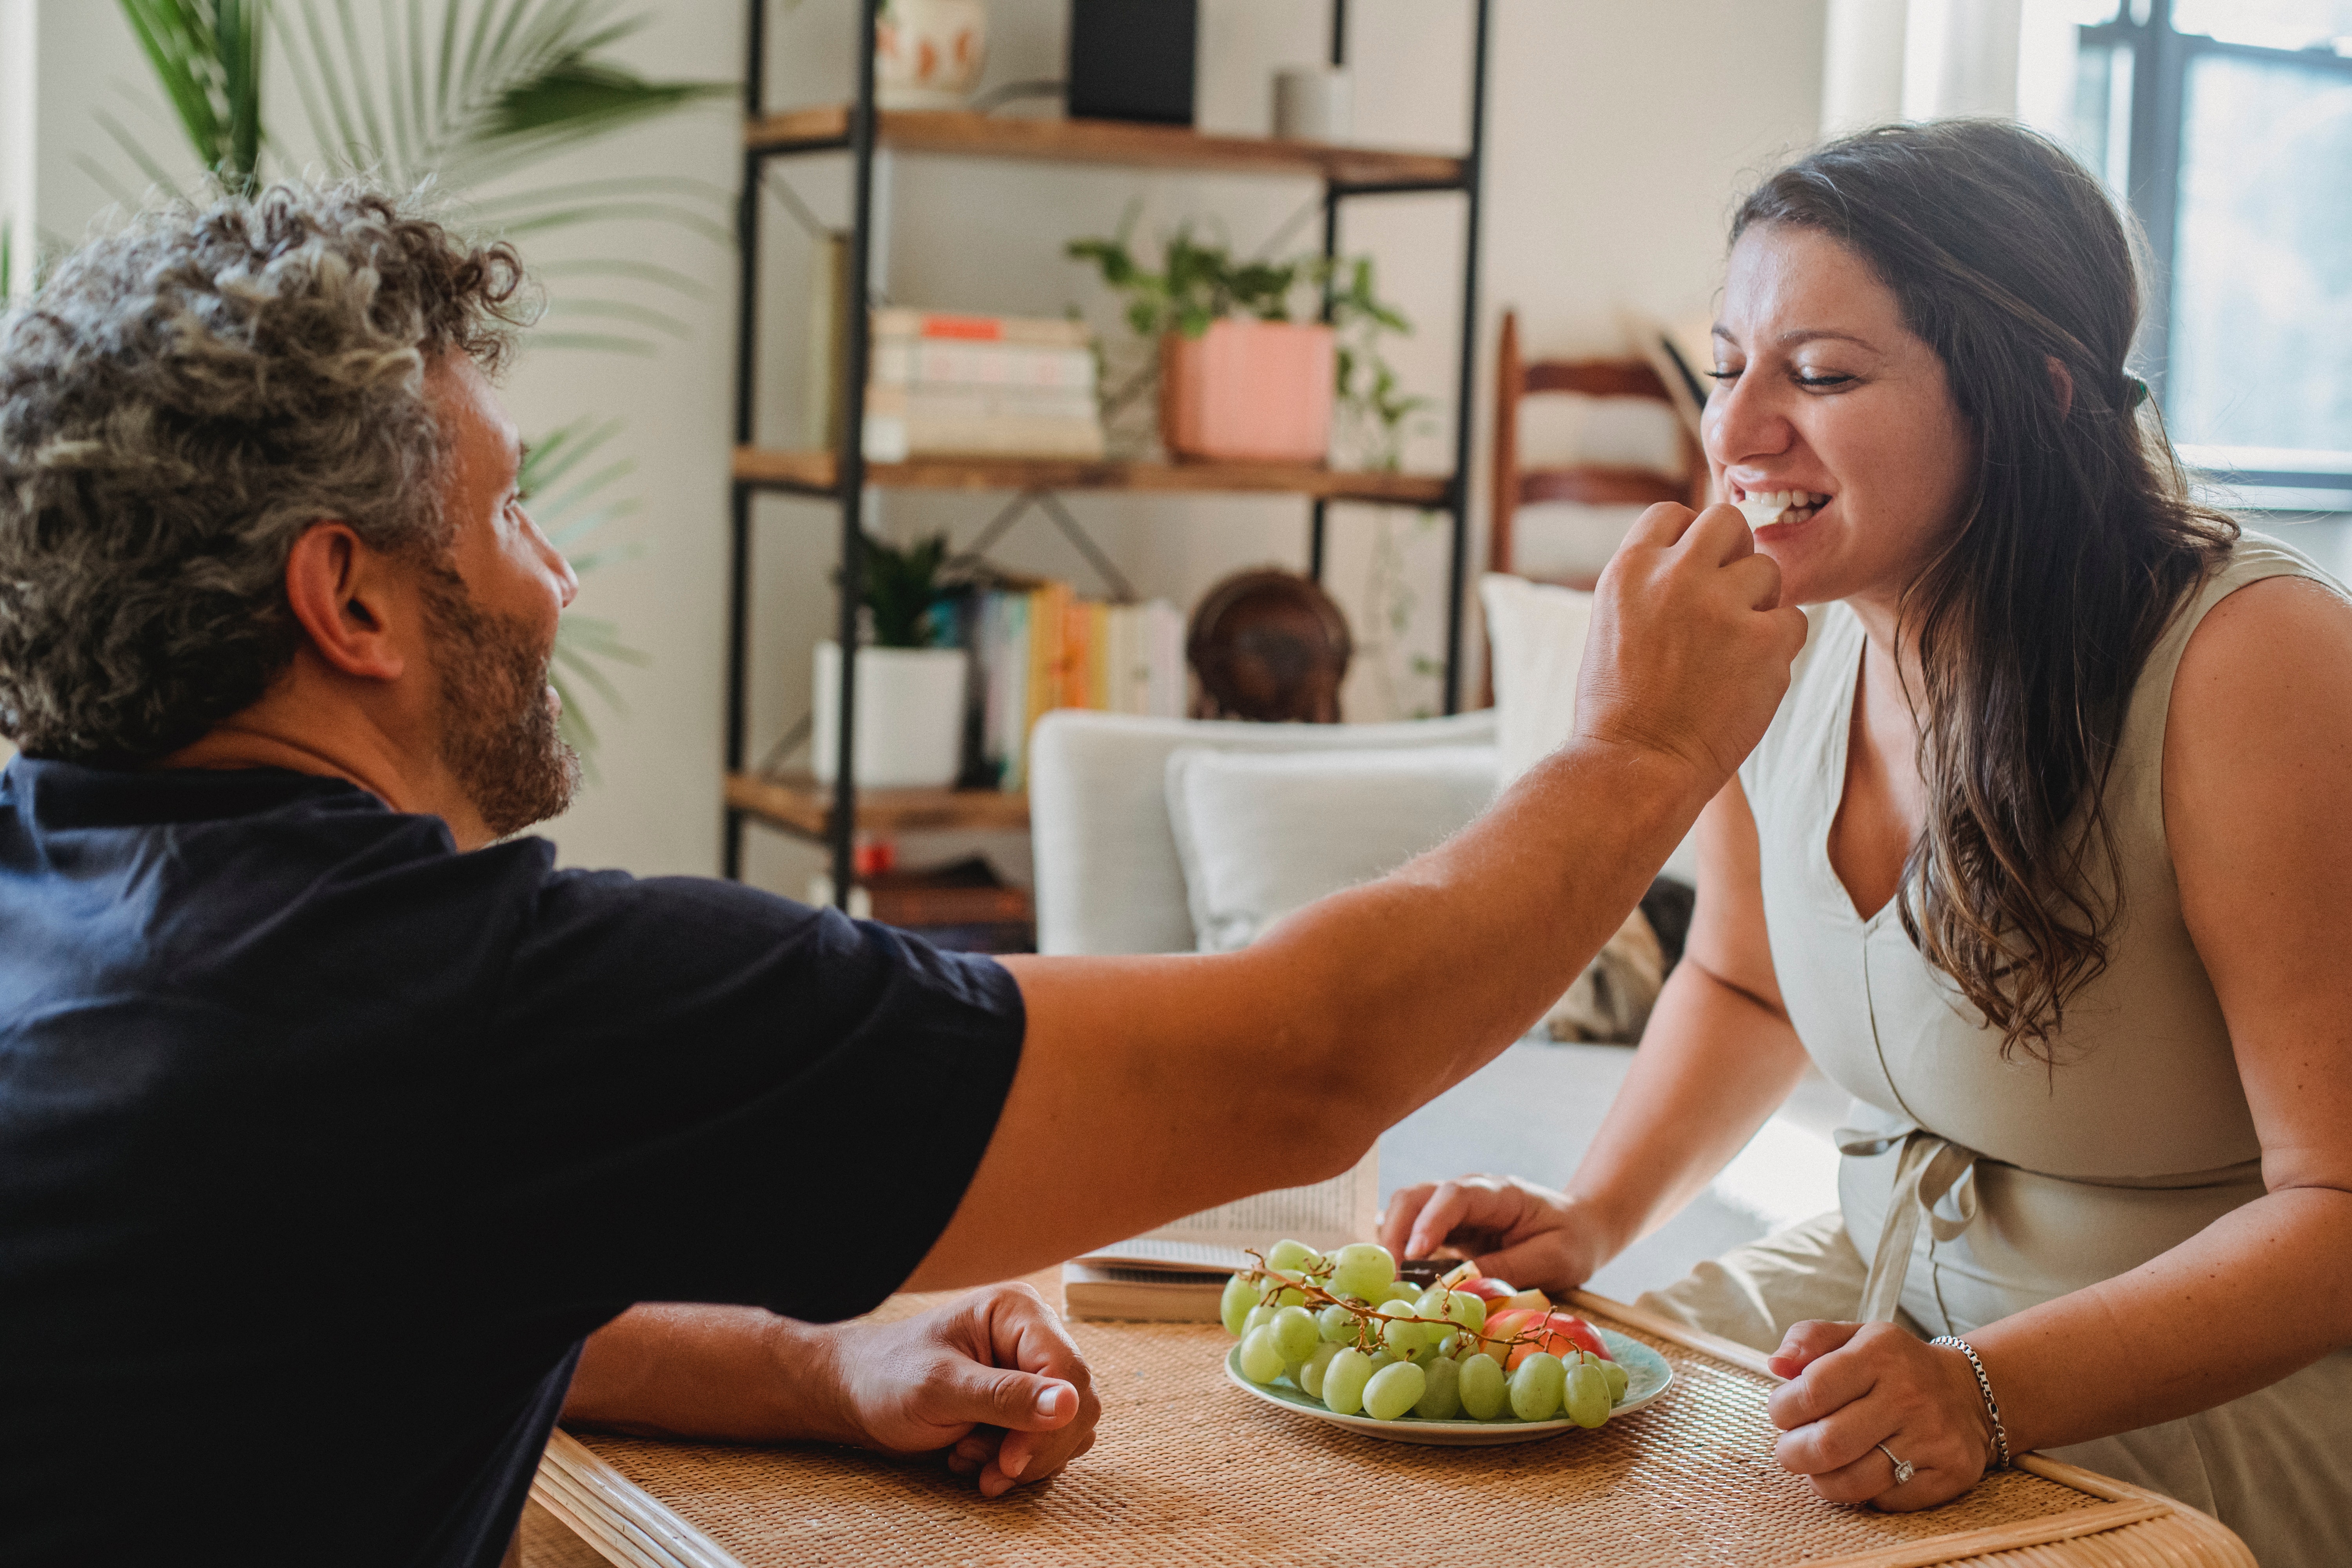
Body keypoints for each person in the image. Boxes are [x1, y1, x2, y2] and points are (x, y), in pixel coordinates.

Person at [0, 184, 1803, 1568]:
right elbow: (1301, 1061)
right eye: (504, 515)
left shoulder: (72, 902)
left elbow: (389, 1262)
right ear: (351, 600)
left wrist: (819, 1363)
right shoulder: (468, 1005)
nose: (554, 581)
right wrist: (1642, 750)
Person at [1382, 120, 2352, 1564]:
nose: (1737, 432)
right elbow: (1747, 984)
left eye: (1822, 375)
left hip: (2195, 1375)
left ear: (2036, 394)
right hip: (1883, 1306)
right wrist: (1590, 1218)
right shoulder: (1768, 645)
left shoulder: (2248, 660)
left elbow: (2339, 1211)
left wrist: (1985, 1394)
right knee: (1473, 1454)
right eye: (1726, 369)